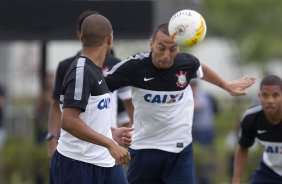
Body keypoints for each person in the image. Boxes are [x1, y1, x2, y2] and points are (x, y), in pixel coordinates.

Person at [104, 23, 256, 184]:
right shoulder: (133, 66)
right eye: (161, 48)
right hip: (144, 147)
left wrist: (226, 85)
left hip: (179, 149)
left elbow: (199, 67)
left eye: (172, 49)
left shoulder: (186, 64)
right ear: (151, 44)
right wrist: (105, 129)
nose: (166, 55)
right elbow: (99, 87)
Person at [49, 14, 131, 184]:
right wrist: (109, 143)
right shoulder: (81, 71)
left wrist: (109, 132)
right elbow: (69, 121)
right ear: (110, 39)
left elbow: (89, 115)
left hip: (106, 162)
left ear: (82, 37)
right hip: (77, 164)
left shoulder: (94, 69)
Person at [232, 74, 282, 184]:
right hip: (269, 171)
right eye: (265, 95)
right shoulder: (251, 118)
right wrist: (236, 179)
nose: (270, 100)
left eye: (275, 95)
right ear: (259, 97)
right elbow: (243, 147)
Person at [190, 80, 218, 184]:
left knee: (205, 158)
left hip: (204, 131)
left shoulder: (202, 95)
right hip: (196, 132)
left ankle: (206, 180)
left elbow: (197, 106)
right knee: (197, 157)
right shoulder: (197, 94)